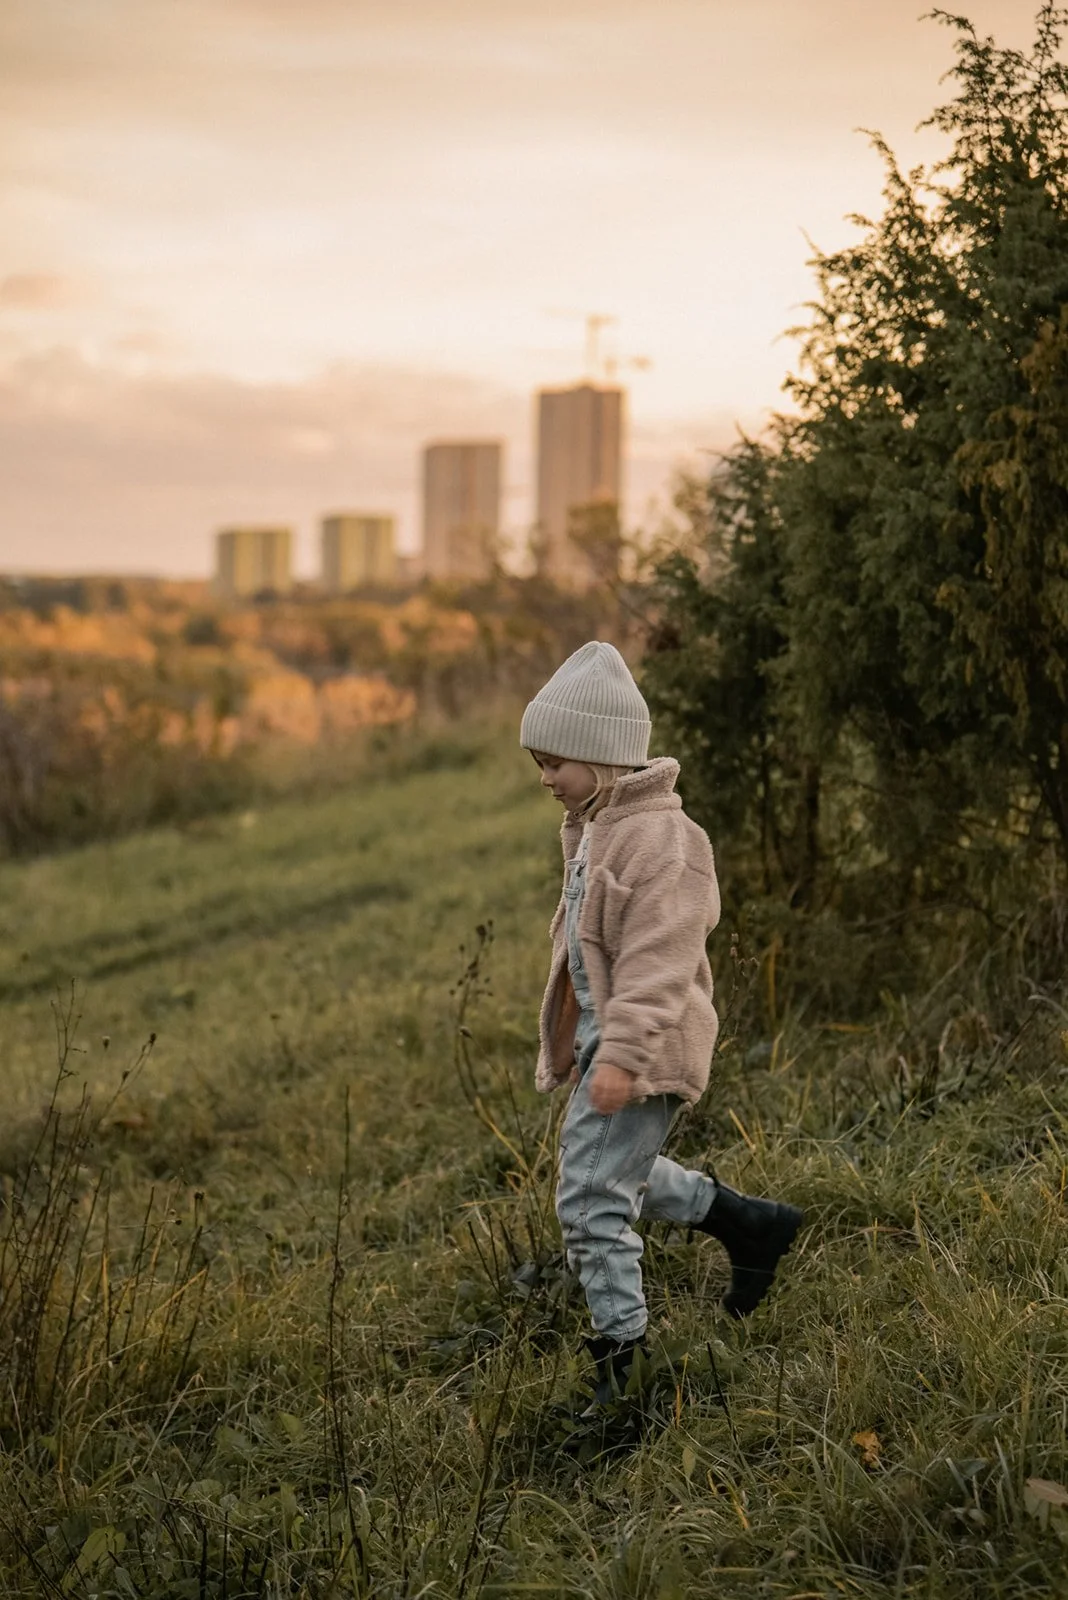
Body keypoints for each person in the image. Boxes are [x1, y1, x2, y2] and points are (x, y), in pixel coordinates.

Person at [521, 640, 803, 1409]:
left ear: (603, 754)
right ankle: (749, 1224)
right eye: (538, 762)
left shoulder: (662, 842)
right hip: (611, 1047)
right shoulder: (598, 825)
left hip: (646, 1049)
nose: (545, 777)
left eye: (556, 761)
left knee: (587, 1200)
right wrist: (584, 1042)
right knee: (613, 1177)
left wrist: (623, 1052)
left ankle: (625, 1365)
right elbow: (587, 954)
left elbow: (657, 960)